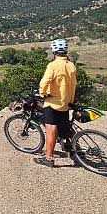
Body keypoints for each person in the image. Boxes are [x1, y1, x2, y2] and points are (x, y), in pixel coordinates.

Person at [34, 38, 76, 168]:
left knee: (51, 129)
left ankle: (49, 159)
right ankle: (75, 148)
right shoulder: (71, 65)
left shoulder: (52, 65)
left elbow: (44, 82)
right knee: (65, 127)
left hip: (53, 103)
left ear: (54, 51)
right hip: (66, 102)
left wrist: (42, 93)